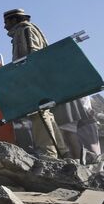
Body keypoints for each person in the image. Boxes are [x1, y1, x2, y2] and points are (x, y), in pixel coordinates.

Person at [4, 8, 69, 158]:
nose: (4, 26)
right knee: (45, 113)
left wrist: (28, 79)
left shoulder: (25, 30)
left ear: (14, 20)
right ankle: (61, 150)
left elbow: (33, 55)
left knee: (38, 113)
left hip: (34, 79)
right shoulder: (29, 29)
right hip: (39, 78)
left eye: (6, 22)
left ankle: (48, 152)